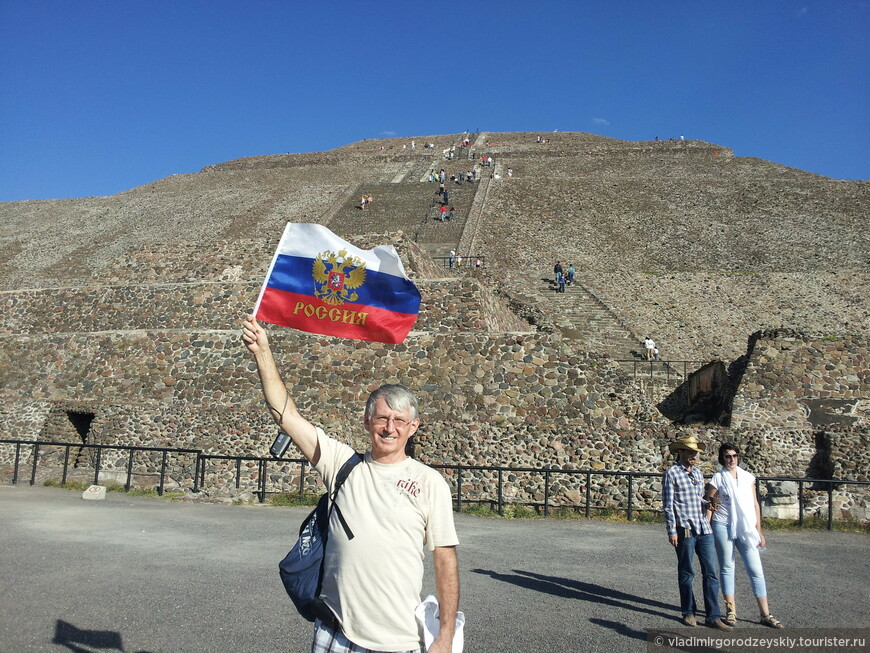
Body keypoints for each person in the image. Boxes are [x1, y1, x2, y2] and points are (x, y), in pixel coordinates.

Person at [242, 315, 460, 653]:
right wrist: (262, 352)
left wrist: (445, 635)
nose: (390, 428)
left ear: (413, 427)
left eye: (399, 421)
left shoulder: (429, 483)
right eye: (382, 418)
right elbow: (286, 416)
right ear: (367, 421)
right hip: (336, 631)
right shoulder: (342, 464)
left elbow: (445, 561)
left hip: (398, 640)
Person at [707, 444, 784, 629]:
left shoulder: (748, 477)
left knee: (755, 570)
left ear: (738, 457)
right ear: (722, 458)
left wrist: (759, 530)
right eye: (727, 456)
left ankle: (765, 613)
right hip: (722, 524)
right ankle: (731, 611)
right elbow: (710, 503)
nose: (731, 459)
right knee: (727, 566)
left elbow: (755, 504)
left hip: (745, 527)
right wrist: (706, 528)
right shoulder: (718, 478)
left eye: (734, 456)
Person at [663, 435, 732, 631]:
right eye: (690, 452)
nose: (694, 455)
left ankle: (713, 616)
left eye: (696, 452)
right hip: (684, 528)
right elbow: (668, 505)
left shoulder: (699, 473)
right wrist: (671, 531)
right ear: (681, 453)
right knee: (687, 571)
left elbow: (697, 500)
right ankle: (689, 612)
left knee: (711, 572)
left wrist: (708, 503)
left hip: (704, 527)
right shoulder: (672, 473)